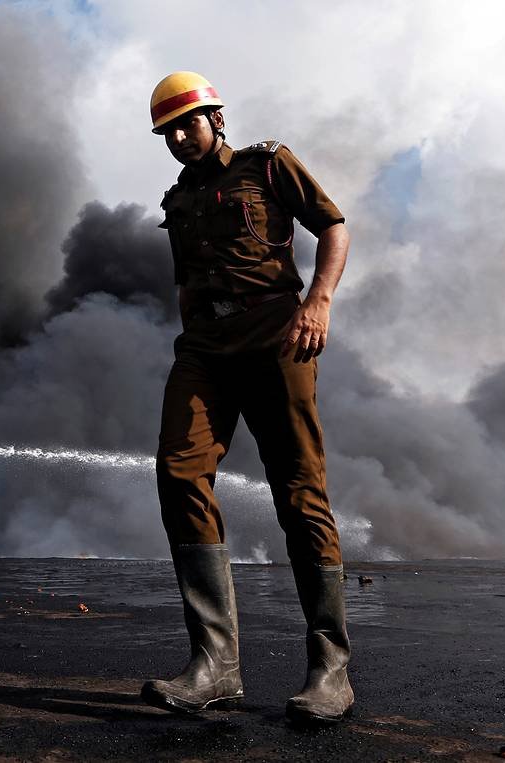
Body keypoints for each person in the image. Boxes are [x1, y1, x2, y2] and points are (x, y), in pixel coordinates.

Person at [140, 71, 353, 724]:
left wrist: (317, 302)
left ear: (216, 117)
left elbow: (333, 225)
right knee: (178, 471)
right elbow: (184, 282)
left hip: (276, 331)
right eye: (168, 131)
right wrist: (194, 333)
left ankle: (330, 671)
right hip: (205, 345)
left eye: (189, 122)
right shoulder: (176, 202)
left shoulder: (268, 165)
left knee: (299, 490)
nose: (180, 137)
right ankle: (215, 666)